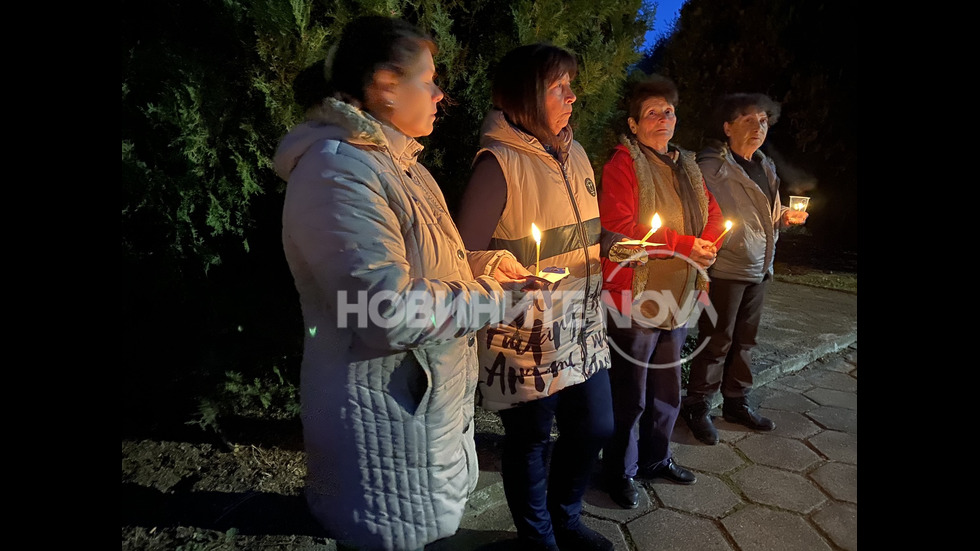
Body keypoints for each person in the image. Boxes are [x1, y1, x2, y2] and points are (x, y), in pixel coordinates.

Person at [273, 16, 535, 551]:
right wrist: (497, 300)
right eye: (429, 79)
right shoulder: (337, 171)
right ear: (386, 85)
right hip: (385, 429)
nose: (441, 95)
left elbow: (428, 263)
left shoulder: (402, 165)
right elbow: (382, 311)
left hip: (422, 418)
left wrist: (485, 267)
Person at [455, 43, 627, 551]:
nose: (573, 96)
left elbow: (578, 233)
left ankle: (565, 519)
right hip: (525, 335)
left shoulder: (573, 152)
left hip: (582, 324)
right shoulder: (498, 163)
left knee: (595, 426)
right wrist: (501, 266)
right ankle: (538, 539)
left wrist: (614, 245)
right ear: (527, 95)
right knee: (530, 439)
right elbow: (461, 257)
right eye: (560, 87)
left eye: (570, 84)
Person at [596, 75, 725, 509]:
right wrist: (687, 245)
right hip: (634, 298)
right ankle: (619, 469)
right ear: (633, 124)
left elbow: (714, 213)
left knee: (666, 390)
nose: (663, 118)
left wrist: (709, 244)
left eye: (668, 111)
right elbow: (622, 231)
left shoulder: (686, 166)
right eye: (652, 113)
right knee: (628, 393)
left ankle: (656, 457)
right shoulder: (623, 166)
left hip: (678, 298)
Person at [679, 93, 809, 445]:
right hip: (727, 266)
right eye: (748, 120)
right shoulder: (713, 167)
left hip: (759, 266)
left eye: (764, 120)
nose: (758, 127)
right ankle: (696, 405)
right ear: (727, 126)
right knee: (717, 339)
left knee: (746, 341)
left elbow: (767, 217)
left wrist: (784, 217)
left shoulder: (764, 165)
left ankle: (736, 401)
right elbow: (700, 214)